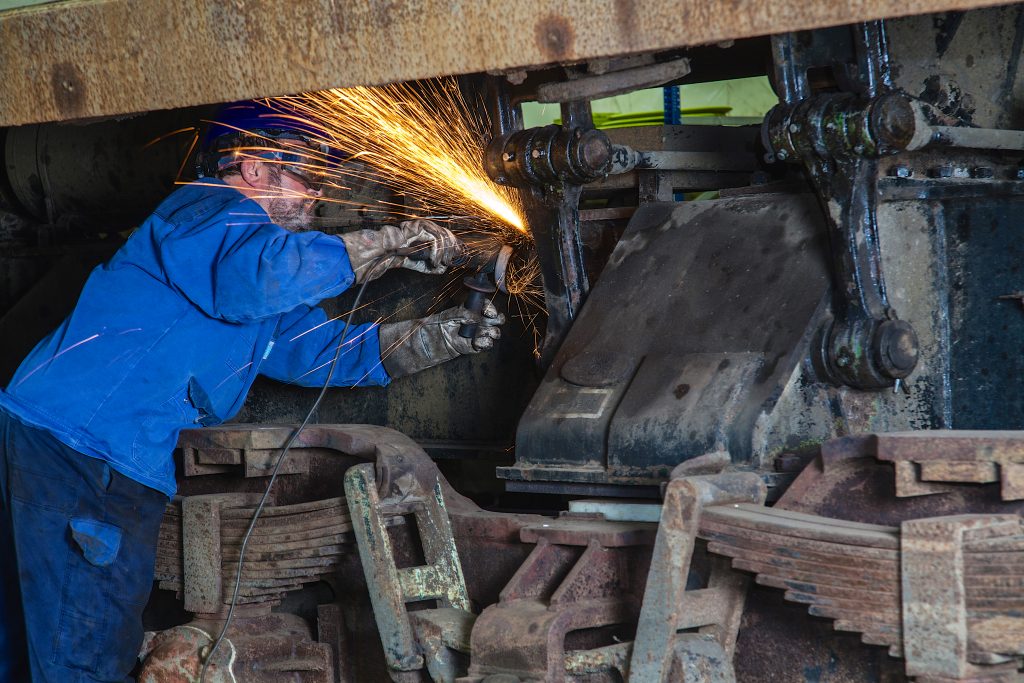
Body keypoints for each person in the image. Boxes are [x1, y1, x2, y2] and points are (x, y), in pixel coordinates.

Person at [0, 100, 504, 682]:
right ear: (255, 166)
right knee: (84, 650)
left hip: (73, 447)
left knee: (30, 641)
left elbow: (313, 350)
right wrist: (386, 244)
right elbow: (263, 275)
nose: (316, 198)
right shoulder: (208, 212)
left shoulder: (247, 271)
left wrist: (434, 339)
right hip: (82, 453)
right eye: (307, 176)